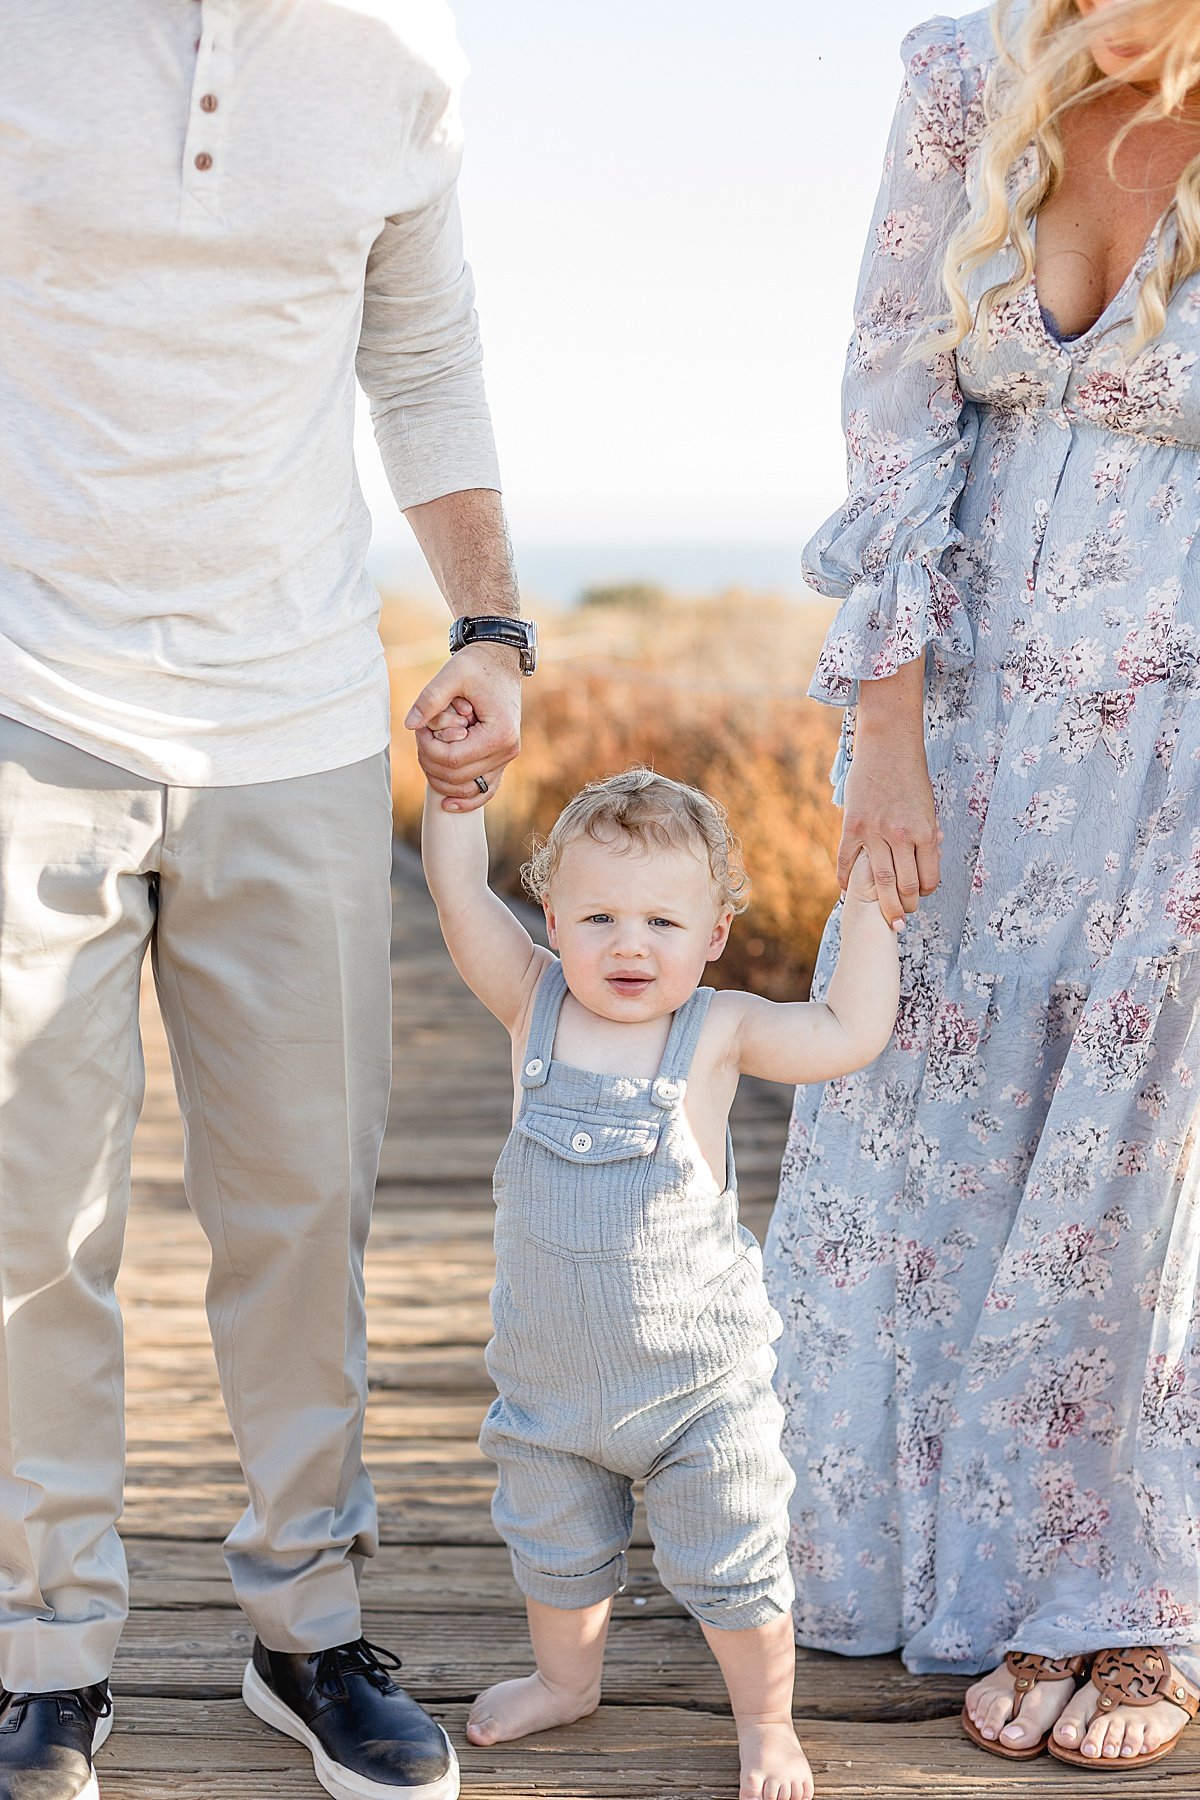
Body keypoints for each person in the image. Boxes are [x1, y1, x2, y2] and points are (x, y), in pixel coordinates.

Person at [0, 4, 533, 1797]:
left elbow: (426, 358)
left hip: (295, 712)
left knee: (304, 1202)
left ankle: (307, 1626)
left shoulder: (406, 54)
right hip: (24, 701)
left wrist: (493, 624)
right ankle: (43, 1651)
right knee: (27, 1223)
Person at [764, 0, 1200, 1774]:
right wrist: (884, 729)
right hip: (964, 718)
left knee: (1142, 1169)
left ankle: (1119, 1602)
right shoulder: (962, 73)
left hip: (1181, 744)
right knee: (917, 1125)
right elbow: (892, 398)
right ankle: (961, 1568)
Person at [419, 764, 900, 1800]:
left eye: (662, 922)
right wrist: (453, 801)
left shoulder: (720, 1028)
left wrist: (869, 904)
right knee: (555, 1557)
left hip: (698, 1393)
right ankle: (566, 1682)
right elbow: (459, 899)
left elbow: (846, 1035)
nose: (628, 943)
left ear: (715, 934)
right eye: (596, 916)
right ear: (550, 917)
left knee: (736, 1568)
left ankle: (766, 1723)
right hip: (551, 1391)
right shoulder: (532, 1002)